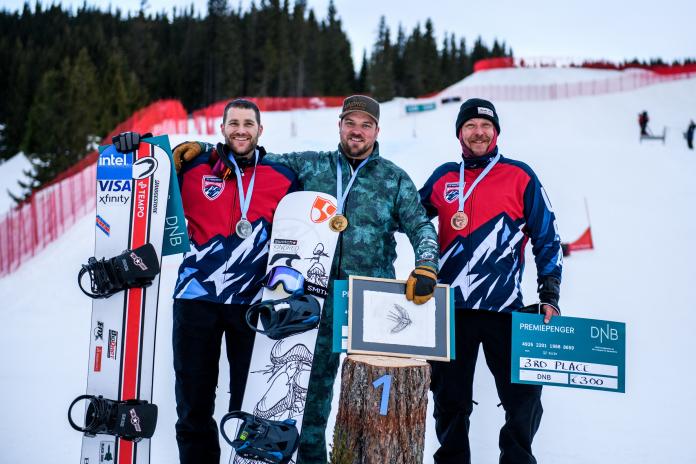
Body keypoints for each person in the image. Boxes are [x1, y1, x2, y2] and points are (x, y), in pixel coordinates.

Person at [174, 95, 440, 463]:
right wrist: (204, 149)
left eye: (366, 124)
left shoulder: (393, 178)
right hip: (318, 304)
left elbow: (421, 226)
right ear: (340, 126)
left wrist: (426, 265)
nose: (357, 131)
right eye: (351, 123)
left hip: (371, 304)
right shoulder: (311, 166)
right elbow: (250, 155)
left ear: (377, 130)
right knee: (309, 410)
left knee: (379, 404)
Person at [119, 99, 298, 464]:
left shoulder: (283, 176)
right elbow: (145, 175)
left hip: (252, 304)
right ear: (222, 129)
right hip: (195, 300)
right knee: (193, 402)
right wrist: (131, 150)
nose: (241, 129)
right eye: (233, 123)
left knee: (248, 403)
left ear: (260, 130)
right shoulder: (193, 168)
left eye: (248, 123)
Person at [419, 98, 563, 464]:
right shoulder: (444, 178)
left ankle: (516, 458)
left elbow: (547, 236)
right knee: (449, 400)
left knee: (524, 397)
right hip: (452, 310)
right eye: (470, 126)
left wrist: (549, 292)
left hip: (504, 308)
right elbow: (411, 217)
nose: (478, 132)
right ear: (460, 133)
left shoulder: (520, 175)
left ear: (495, 132)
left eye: (485, 126)